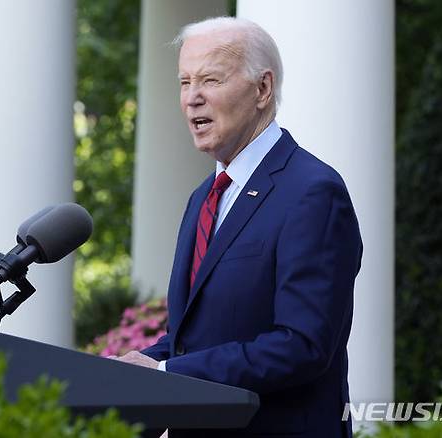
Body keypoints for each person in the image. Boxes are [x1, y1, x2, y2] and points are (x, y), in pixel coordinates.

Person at [114, 16, 362, 438]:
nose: (192, 98)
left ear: (262, 89)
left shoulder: (312, 192)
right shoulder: (202, 197)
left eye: (210, 79)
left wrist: (166, 370)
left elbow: (303, 345)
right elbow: (193, 341)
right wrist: (136, 367)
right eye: (184, 81)